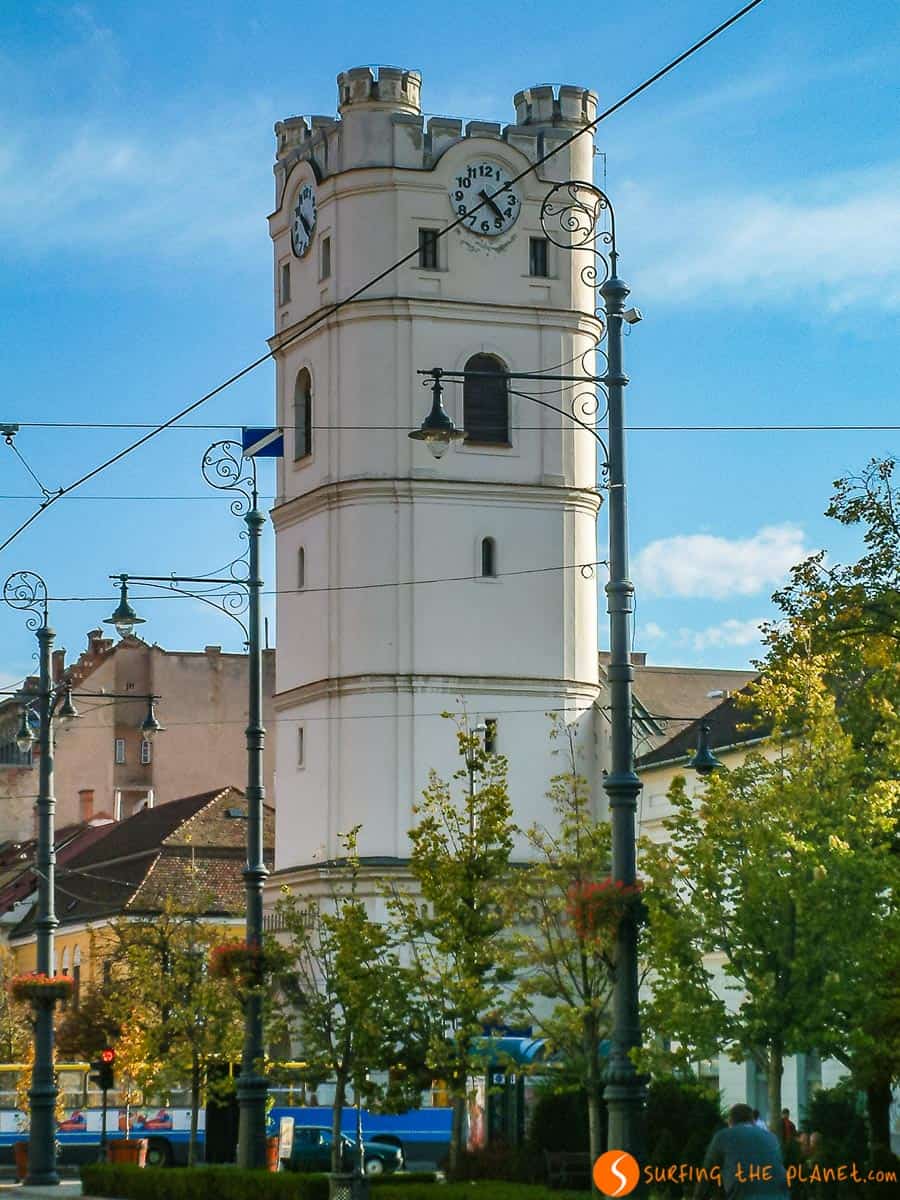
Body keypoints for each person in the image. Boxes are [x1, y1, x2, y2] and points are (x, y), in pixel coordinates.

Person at [695, 1103, 789, 1199]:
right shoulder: (771, 1137)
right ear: (753, 1121)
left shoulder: (723, 1136)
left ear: (730, 1122)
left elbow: (706, 1174)